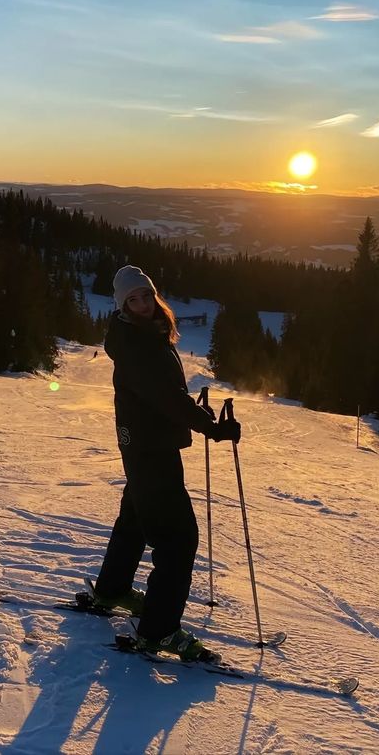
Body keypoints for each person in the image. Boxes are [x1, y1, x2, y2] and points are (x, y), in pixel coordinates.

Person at [93, 265, 240, 662]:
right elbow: (165, 396)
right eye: (132, 300)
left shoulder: (145, 332)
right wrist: (210, 426)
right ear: (122, 305)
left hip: (143, 442)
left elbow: (165, 395)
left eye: (145, 296)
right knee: (177, 539)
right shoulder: (137, 342)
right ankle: (158, 631)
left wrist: (195, 414)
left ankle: (112, 589)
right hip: (149, 446)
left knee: (137, 516)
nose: (141, 305)